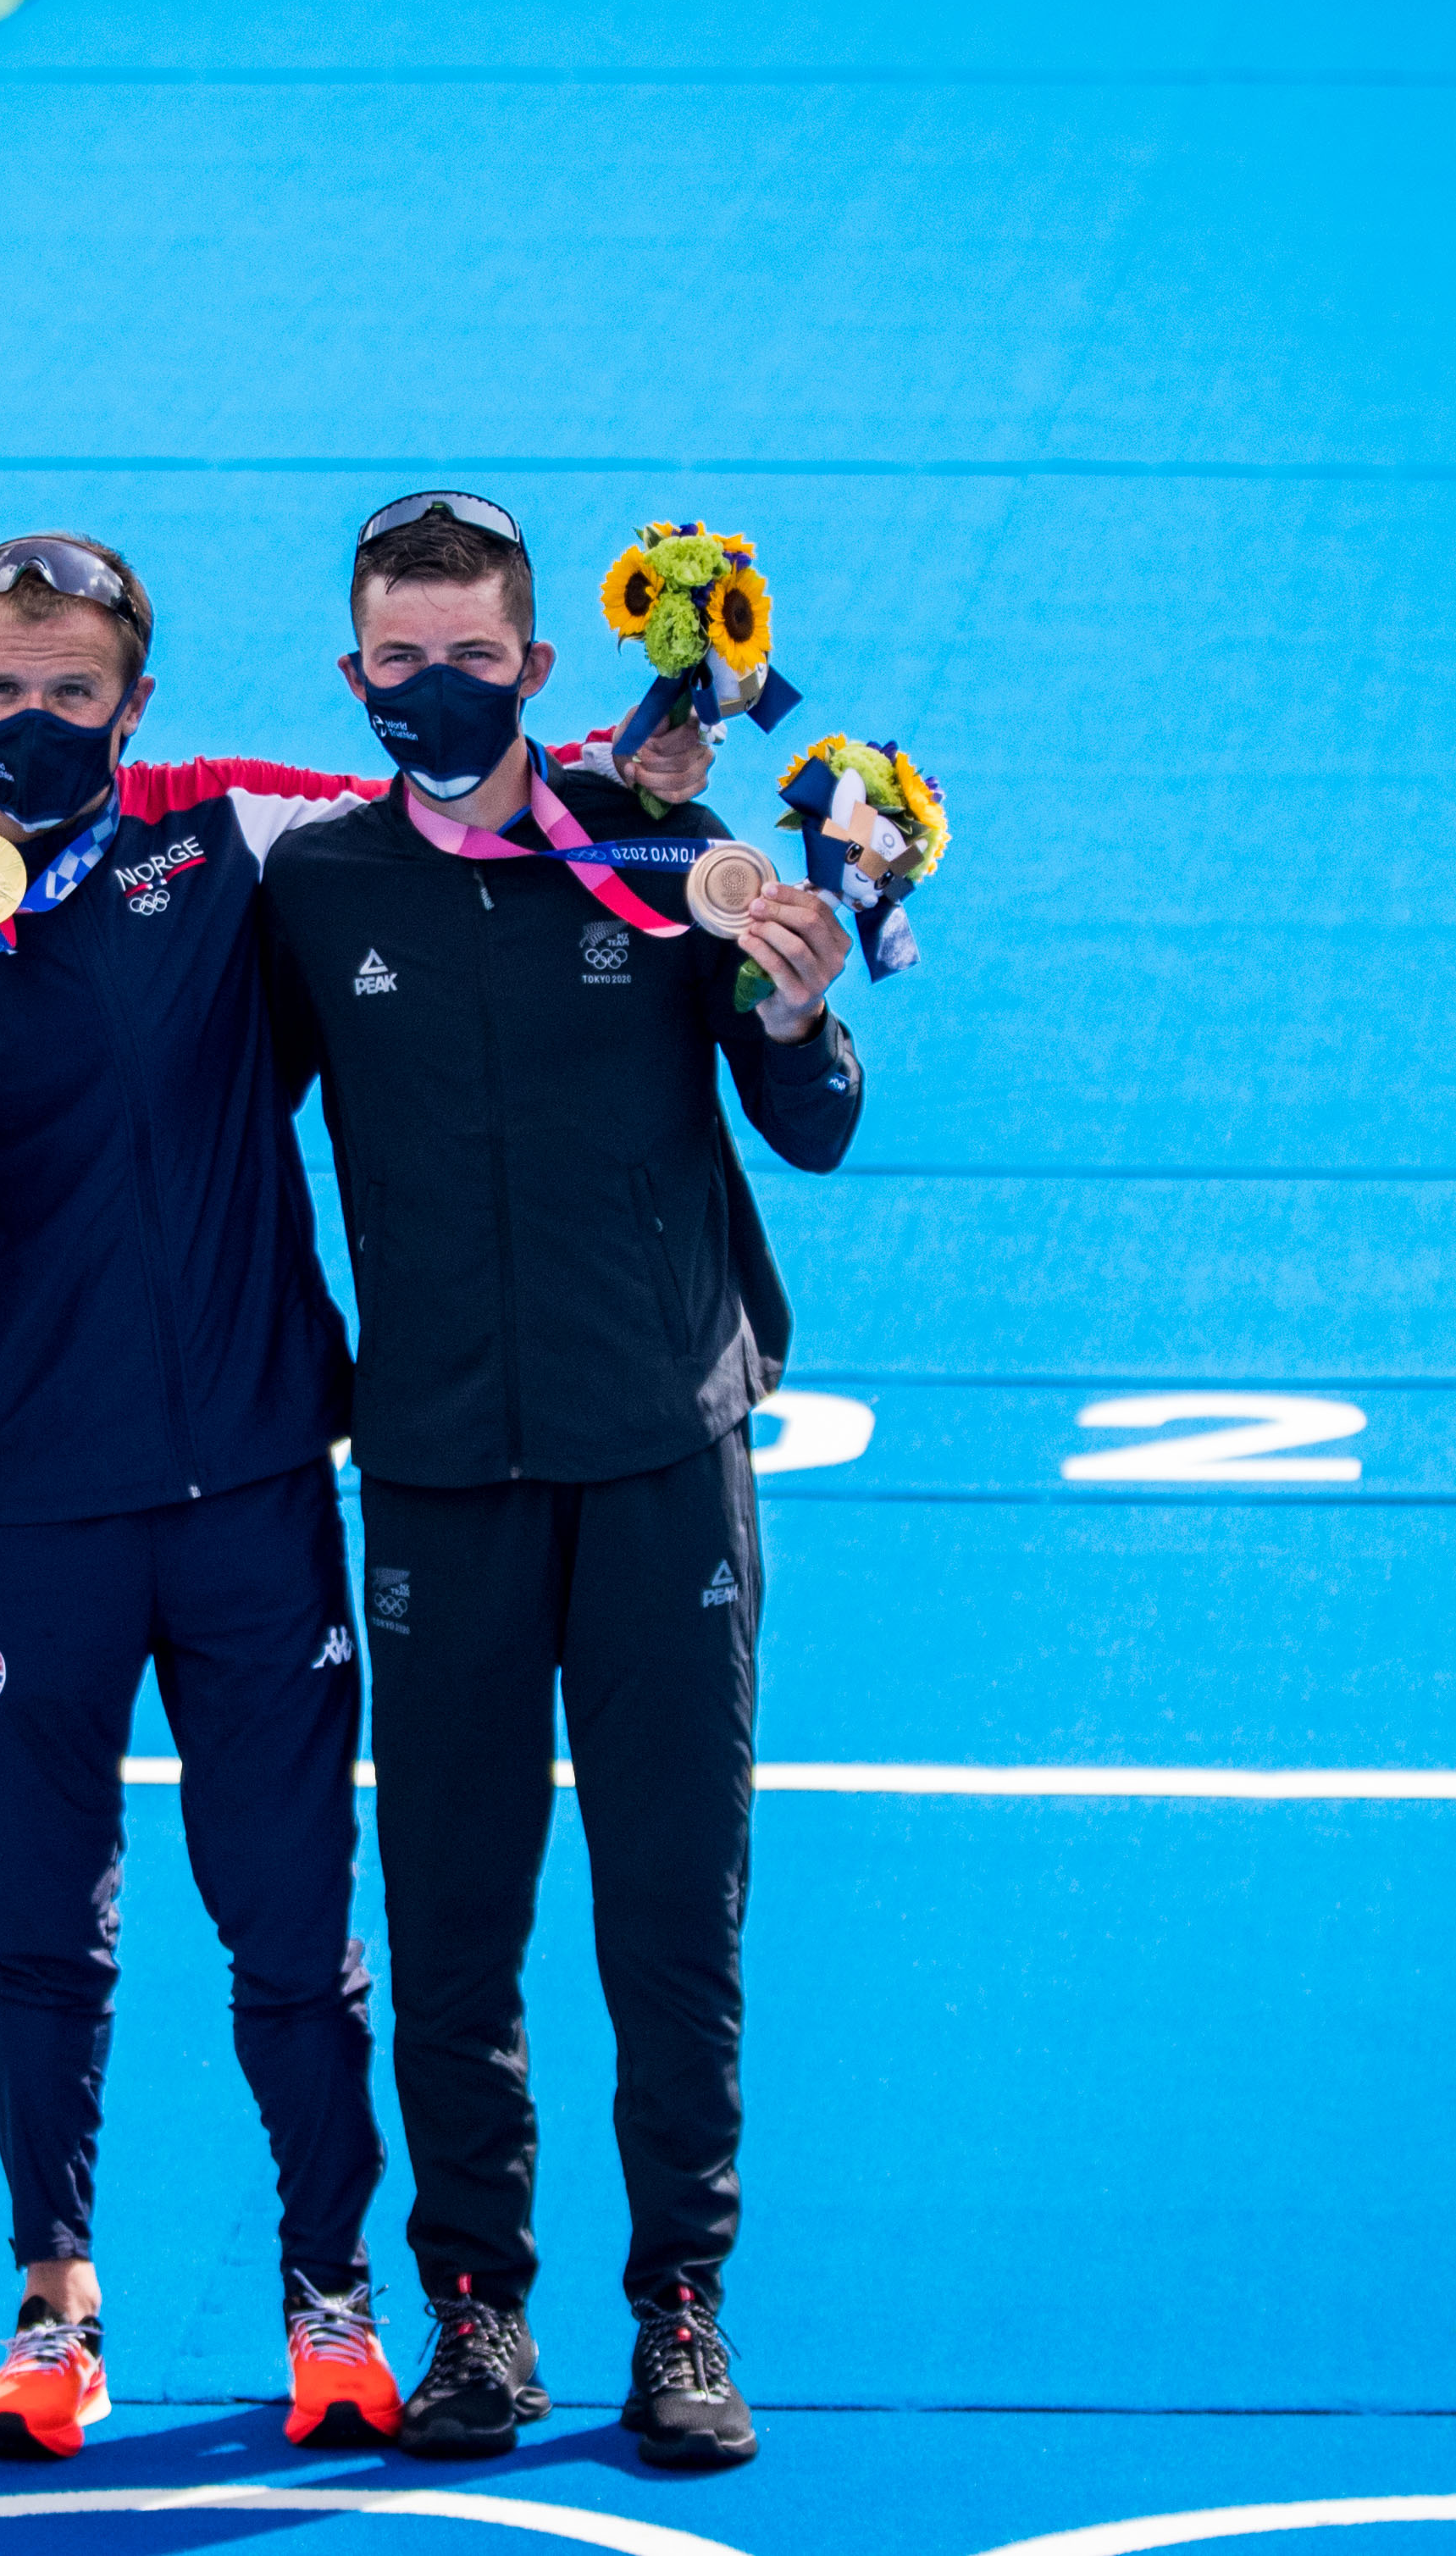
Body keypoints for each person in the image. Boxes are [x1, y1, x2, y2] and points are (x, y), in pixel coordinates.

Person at [0, 533, 711, 2462]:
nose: (30, 719)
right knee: (32, 1927)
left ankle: (331, 2298)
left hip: (250, 1490)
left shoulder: (231, 834)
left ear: (135, 704)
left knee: (294, 1926)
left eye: (70, 690)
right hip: (30, 1497)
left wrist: (655, 788)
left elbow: (470, 821)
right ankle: (52, 2313)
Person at [255, 491, 863, 2473]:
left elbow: (814, 1112)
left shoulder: (663, 861)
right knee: (451, 1910)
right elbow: (177, 1115)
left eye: (472, 654)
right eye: (398, 660)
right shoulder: (322, 890)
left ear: (537, 662)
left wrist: (789, 998)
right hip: (435, 1468)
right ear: (355, 679)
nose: (435, 687)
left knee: (672, 1905)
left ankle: (679, 2303)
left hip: (662, 1456)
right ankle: (478, 2312)